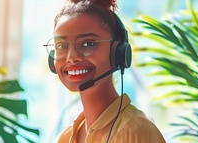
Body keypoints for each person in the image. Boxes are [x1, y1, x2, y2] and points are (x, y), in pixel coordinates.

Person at [44, 0, 167, 142]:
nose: (71, 58)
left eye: (88, 44)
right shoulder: (66, 137)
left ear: (118, 53)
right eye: (61, 46)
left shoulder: (135, 130)